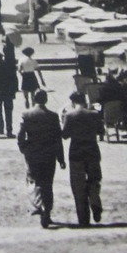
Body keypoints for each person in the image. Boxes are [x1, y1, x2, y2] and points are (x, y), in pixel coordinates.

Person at [17, 89, 65, 228]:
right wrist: (60, 158)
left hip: (33, 154)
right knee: (48, 183)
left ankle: (38, 205)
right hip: (49, 154)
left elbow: (20, 135)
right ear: (46, 100)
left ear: (34, 98)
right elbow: (58, 139)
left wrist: (24, 148)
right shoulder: (53, 116)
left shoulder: (27, 114)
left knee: (34, 181)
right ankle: (47, 211)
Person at [60, 91, 104, 226]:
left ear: (73, 102)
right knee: (94, 179)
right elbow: (101, 132)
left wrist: (63, 119)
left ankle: (83, 218)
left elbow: (65, 135)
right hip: (92, 150)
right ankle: (95, 200)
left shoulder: (70, 115)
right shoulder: (94, 114)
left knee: (78, 186)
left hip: (76, 152)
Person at [0, 50, 17, 137]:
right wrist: (13, 91)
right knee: (8, 112)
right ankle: (9, 130)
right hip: (8, 93)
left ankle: (0, 128)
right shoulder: (9, 68)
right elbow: (14, 80)